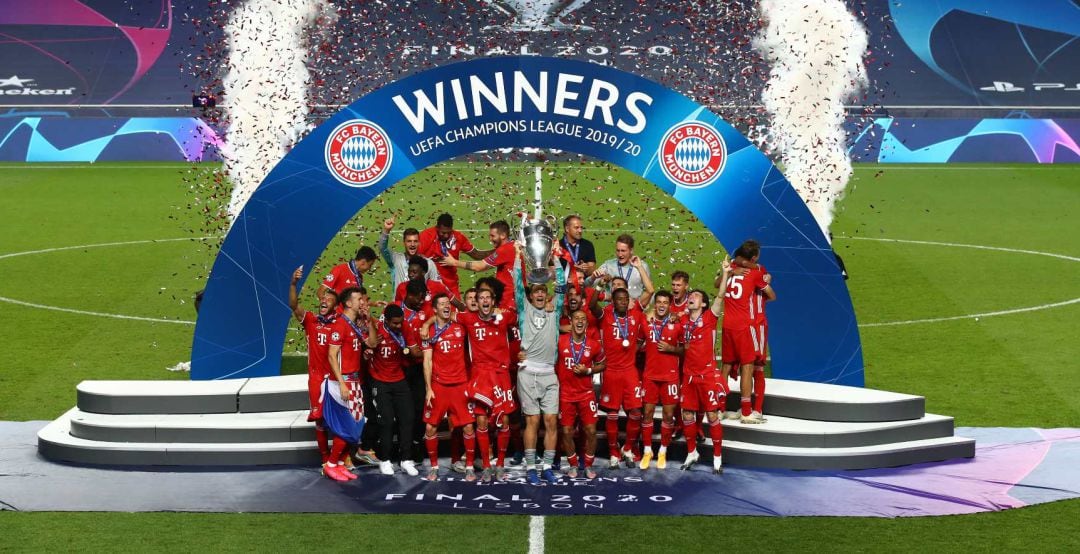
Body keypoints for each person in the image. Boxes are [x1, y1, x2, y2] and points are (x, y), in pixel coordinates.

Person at [424, 287, 518, 482]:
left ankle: (499, 465)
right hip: (480, 376)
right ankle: (485, 466)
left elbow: (524, 317)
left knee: (504, 422)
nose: (483, 301)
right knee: (481, 422)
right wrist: (427, 323)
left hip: (501, 375)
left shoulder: (506, 317)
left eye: (487, 297)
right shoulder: (467, 319)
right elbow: (443, 314)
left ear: (493, 301)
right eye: (479, 298)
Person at [513, 243, 567, 485]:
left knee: (551, 421)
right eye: (535, 292)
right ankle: (532, 467)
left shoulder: (554, 310)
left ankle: (547, 466)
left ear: (546, 294)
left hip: (549, 374)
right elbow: (516, 285)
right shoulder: (524, 311)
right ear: (531, 294)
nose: (539, 295)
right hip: (528, 373)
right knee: (532, 421)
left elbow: (562, 287)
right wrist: (517, 257)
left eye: (543, 292)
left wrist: (555, 258)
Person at [421, 294, 477, 481]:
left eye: (448, 303)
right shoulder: (428, 333)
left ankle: (469, 466)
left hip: (460, 384)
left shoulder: (460, 326)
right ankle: (434, 467)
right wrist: (428, 388)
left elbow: (473, 314)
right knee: (430, 428)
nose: (447, 306)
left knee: (469, 427)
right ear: (435, 309)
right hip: (439, 386)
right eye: (442, 304)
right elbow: (427, 361)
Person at [323, 286, 376, 481]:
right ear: (348, 303)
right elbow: (331, 355)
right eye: (358, 299)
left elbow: (372, 343)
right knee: (349, 425)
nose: (362, 302)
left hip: (355, 380)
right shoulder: (340, 325)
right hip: (345, 381)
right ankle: (331, 463)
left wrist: (369, 320)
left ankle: (338, 463)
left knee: (355, 424)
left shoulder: (354, 324)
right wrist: (343, 384)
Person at [719, 242, 776, 424]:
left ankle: (719, 408)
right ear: (754, 257)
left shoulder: (730, 268)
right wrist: (766, 281)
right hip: (748, 325)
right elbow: (772, 295)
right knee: (750, 366)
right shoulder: (756, 272)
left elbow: (716, 283)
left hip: (727, 323)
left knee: (726, 366)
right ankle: (747, 411)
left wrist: (731, 270)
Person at [288, 266, 339, 465]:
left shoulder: (340, 324)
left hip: (334, 378)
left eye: (329, 299)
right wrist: (293, 283)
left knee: (336, 419)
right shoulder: (311, 320)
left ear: (336, 306)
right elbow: (293, 305)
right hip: (317, 379)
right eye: (323, 299)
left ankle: (340, 458)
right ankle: (325, 459)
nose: (324, 301)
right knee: (320, 420)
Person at [366, 304, 419, 476]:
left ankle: (406, 460)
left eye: (400, 322)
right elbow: (368, 346)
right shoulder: (377, 329)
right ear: (386, 321)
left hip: (399, 379)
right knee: (387, 421)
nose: (398, 326)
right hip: (380, 380)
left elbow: (413, 350)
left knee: (408, 418)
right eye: (395, 323)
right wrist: (367, 353)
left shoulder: (405, 327)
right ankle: (385, 460)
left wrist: (428, 351)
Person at [679, 288, 726, 474]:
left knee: (712, 416)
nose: (691, 297)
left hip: (706, 376)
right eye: (691, 295)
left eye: (696, 296)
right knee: (687, 415)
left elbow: (720, 296)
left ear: (704, 304)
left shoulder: (709, 318)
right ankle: (691, 453)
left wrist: (726, 273)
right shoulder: (682, 320)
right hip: (688, 376)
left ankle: (717, 457)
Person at [556, 310, 606, 479]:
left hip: (586, 393)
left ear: (586, 323)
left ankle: (589, 465)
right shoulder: (560, 341)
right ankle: (573, 465)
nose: (579, 321)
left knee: (591, 431)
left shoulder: (594, 345)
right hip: (566, 394)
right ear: (571, 321)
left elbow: (603, 364)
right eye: (576, 318)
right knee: (567, 431)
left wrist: (588, 370)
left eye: (583, 319)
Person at [639, 290, 685, 470]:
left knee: (668, 415)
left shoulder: (677, 325)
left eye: (665, 302)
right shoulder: (646, 323)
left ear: (669, 305)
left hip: (670, 377)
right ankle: (647, 450)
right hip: (650, 376)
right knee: (647, 413)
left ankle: (663, 451)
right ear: (655, 304)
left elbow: (684, 350)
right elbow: (636, 345)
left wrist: (670, 349)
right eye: (659, 302)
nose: (661, 305)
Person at [439, 220, 516, 310]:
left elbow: (479, 266)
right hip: (512, 295)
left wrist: (454, 262)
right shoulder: (512, 246)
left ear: (503, 235)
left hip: (509, 298)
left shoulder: (505, 250)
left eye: (493, 236)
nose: (490, 239)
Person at [399, 279, 431, 463]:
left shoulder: (425, 311)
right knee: (404, 411)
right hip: (400, 369)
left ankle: (417, 445)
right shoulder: (396, 311)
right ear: (409, 295)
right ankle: (405, 450)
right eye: (419, 299)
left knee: (420, 409)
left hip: (419, 368)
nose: (421, 302)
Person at [418, 213, 487, 298]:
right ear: (437, 227)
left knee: (455, 311)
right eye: (443, 232)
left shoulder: (458, 237)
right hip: (429, 287)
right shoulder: (426, 236)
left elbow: (477, 254)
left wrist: (499, 250)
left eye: (448, 232)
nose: (446, 235)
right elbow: (414, 257)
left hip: (451, 286)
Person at [378, 215, 440, 288]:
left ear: (419, 243)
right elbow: (382, 248)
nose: (412, 244)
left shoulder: (428, 263)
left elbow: (438, 286)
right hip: (399, 299)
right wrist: (386, 230)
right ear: (404, 242)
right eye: (409, 241)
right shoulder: (396, 259)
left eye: (415, 241)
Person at [594, 234, 652, 301]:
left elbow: (649, 290)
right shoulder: (608, 266)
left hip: (634, 308)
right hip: (613, 308)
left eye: (623, 251)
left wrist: (644, 307)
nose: (620, 254)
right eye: (618, 250)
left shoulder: (642, 266)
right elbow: (590, 286)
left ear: (631, 251)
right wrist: (593, 277)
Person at [393, 257, 459, 310]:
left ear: (423, 272)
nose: (410, 275)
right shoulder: (401, 287)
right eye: (409, 271)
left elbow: (457, 303)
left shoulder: (437, 286)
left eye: (414, 272)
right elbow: (397, 308)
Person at [559, 215, 596, 291]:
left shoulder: (587, 245)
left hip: (583, 288)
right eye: (576, 228)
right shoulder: (558, 246)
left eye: (581, 228)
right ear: (567, 229)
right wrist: (572, 269)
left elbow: (592, 270)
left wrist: (586, 268)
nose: (580, 230)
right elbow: (552, 273)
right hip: (564, 289)